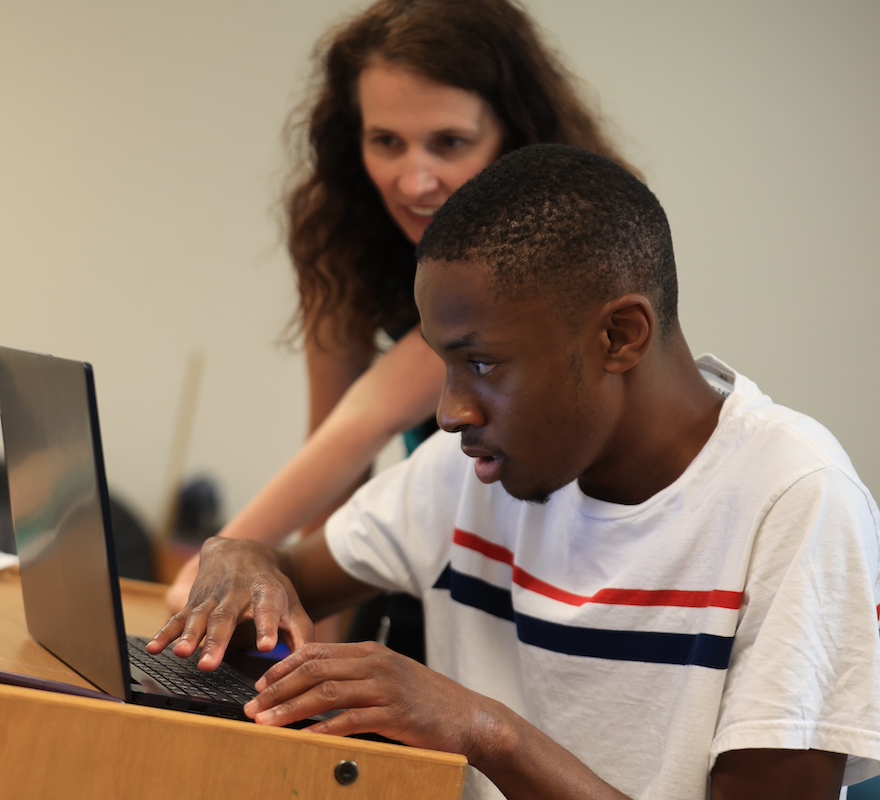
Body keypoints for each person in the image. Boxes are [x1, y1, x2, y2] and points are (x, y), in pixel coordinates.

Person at [150, 144, 880, 799]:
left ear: (619, 335)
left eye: (480, 363)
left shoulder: (797, 500)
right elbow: (284, 576)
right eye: (446, 367)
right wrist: (240, 560)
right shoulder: (469, 467)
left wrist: (483, 729)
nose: (449, 413)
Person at [165, 0, 633, 659]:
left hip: (565, 570)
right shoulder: (342, 230)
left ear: (512, 133)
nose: (414, 181)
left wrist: (211, 570)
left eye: (450, 143)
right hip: (439, 551)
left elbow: (369, 419)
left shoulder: (557, 243)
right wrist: (301, 657)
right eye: (386, 141)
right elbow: (335, 459)